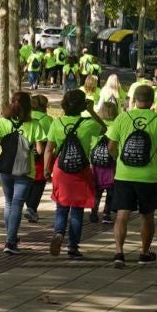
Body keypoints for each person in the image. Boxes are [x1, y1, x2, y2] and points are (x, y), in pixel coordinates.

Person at [105, 84, 157, 267]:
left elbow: (111, 147)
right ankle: (144, 253)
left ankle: (119, 253)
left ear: (134, 100)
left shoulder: (122, 118)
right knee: (147, 216)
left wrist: (118, 160)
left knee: (122, 215)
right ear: (152, 101)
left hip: (124, 175)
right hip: (149, 177)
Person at [44, 90, 106, 259]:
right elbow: (104, 128)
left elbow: (49, 149)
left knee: (61, 207)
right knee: (77, 210)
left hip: (61, 169)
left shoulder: (57, 123)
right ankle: (73, 247)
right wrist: (91, 111)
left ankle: (59, 233)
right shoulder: (88, 124)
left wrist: (46, 169)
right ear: (82, 105)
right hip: (80, 170)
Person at [0, 91, 34, 254]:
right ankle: (10, 242)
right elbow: (40, 149)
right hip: (25, 171)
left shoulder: (3, 123)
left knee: (9, 203)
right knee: (17, 204)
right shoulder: (33, 125)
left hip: (5, 168)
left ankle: (10, 235)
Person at [23, 93, 54, 222]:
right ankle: (31, 208)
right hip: (41, 155)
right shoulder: (48, 119)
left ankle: (30, 208)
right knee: (39, 183)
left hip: (25, 153)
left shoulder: (26, 117)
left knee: (27, 181)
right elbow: (52, 139)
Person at [91, 97, 121, 223]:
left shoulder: (96, 125)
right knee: (111, 189)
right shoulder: (117, 125)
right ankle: (106, 214)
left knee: (97, 189)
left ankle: (94, 211)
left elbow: (92, 143)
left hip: (97, 163)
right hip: (111, 162)